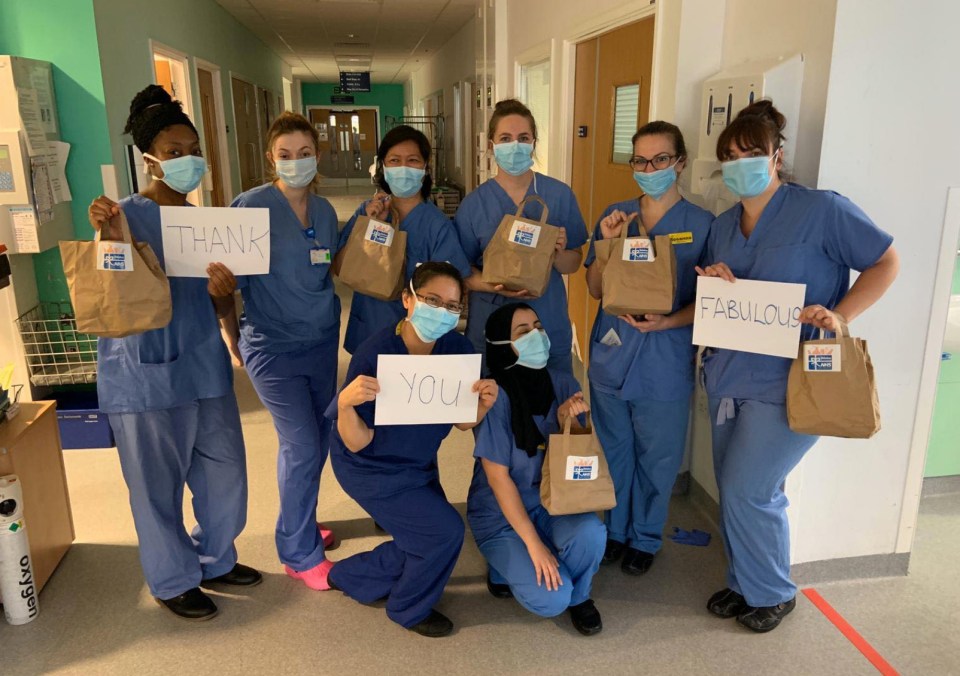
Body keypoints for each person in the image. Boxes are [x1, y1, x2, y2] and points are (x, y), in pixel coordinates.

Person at [697, 100, 899, 633]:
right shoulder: (722, 226)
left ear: (776, 157)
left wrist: (839, 314)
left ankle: (774, 591)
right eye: (729, 157)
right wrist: (715, 279)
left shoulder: (822, 210)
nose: (740, 164)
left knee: (751, 487)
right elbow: (723, 294)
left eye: (750, 154)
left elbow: (885, 261)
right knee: (735, 485)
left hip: (793, 379)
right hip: (729, 374)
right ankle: (745, 581)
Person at [87, 85, 259, 621]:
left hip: (204, 367)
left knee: (225, 473)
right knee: (155, 486)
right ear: (149, 159)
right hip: (142, 375)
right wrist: (107, 237)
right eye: (174, 149)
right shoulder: (123, 218)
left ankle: (214, 558)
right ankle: (172, 578)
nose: (188, 159)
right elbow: (104, 293)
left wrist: (224, 292)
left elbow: (223, 306)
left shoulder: (207, 224)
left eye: (193, 148)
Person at [321, 262, 499, 638]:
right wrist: (345, 404)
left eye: (452, 306)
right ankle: (406, 608)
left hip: (417, 460)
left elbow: (461, 422)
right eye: (432, 300)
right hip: (371, 466)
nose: (442, 312)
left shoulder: (458, 349)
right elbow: (357, 442)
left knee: (421, 538)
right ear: (408, 299)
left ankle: (350, 575)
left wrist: (481, 406)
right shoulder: (376, 354)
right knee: (445, 532)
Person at [217, 112, 341, 589]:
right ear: (272, 159)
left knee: (320, 439)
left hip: (321, 341)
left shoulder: (327, 212)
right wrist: (233, 340)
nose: (295, 163)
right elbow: (226, 286)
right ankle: (297, 552)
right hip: (272, 347)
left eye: (304, 154)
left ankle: (302, 523)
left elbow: (325, 271)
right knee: (302, 443)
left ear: (317, 156)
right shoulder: (249, 208)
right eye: (285, 155)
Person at [583, 122, 713, 576]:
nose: (650, 168)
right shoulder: (616, 214)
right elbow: (595, 288)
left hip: (664, 357)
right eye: (640, 160)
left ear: (679, 162)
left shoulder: (701, 225)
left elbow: (713, 301)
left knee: (656, 458)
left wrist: (668, 321)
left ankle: (645, 536)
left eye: (660, 159)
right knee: (615, 450)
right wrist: (608, 245)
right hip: (612, 354)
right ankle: (615, 531)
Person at [467, 303, 606, 636]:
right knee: (551, 599)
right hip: (499, 514)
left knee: (591, 534)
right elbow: (498, 479)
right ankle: (508, 564)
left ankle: (580, 596)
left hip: (552, 501)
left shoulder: (563, 384)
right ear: (502, 344)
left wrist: (562, 425)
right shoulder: (494, 396)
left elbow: (577, 463)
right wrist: (533, 544)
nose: (537, 336)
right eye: (523, 332)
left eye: (539, 327)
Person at [454, 99, 588, 372]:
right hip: (492, 319)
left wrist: (558, 253)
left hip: (545, 316)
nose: (515, 145)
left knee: (550, 403)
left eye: (523, 138)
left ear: (533, 143)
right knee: (493, 404)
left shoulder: (558, 195)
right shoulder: (474, 204)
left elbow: (573, 263)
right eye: (505, 138)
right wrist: (493, 286)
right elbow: (461, 270)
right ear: (491, 146)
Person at [335, 125, 472, 353]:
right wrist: (369, 226)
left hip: (417, 337)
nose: (403, 168)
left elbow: (451, 288)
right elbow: (340, 268)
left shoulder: (437, 225)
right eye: (395, 160)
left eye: (413, 160)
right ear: (383, 166)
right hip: (369, 327)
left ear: (426, 166)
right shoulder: (367, 212)